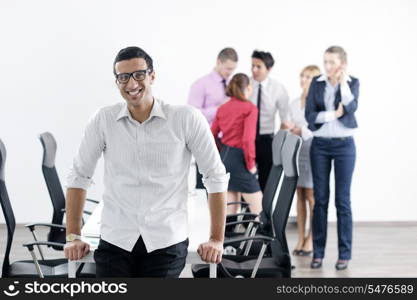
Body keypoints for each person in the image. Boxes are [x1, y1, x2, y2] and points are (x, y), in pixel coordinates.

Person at [64, 46, 229, 277]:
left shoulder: (186, 119)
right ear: (117, 81)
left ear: (152, 75)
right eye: (123, 77)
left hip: (166, 241)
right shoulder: (104, 120)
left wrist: (216, 240)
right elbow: (79, 175)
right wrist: (73, 236)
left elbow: (215, 176)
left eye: (139, 74)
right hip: (116, 239)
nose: (132, 84)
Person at [305, 46, 359, 271]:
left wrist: (343, 82)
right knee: (321, 201)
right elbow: (310, 116)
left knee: (342, 201)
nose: (327, 67)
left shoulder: (352, 83)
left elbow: (352, 107)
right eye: (325, 61)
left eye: (331, 62)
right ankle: (318, 253)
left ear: (342, 64)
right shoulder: (317, 83)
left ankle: (344, 254)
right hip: (320, 146)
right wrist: (332, 115)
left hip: (344, 145)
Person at [211, 73, 262, 215]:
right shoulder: (250, 108)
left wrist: (221, 152)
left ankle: (227, 237)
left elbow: (212, 135)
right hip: (241, 159)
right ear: (247, 88)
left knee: (230, 210)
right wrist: (251, 164)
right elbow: (247, 140)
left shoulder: (223, 108)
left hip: (225, 158)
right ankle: (259, 237)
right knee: (260, 211)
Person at [188, 48, 238, 189]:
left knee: (228, 183)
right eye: (228, 68)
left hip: (229, 141)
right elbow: (193, 116)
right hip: (207, 139)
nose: (230, 73)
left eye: (233, 69)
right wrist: (220, 109)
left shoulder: (233, 84)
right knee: (205, 182)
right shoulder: (200, 85)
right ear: (218, 62)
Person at [288, 65, 321, 256]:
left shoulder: (319, 102)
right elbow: (291, 124)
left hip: (313, 150)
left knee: (311, 195)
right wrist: (289, 127)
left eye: (309, 77)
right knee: (299, 195)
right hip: (297, 150)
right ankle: (300, 237)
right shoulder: (294, 102)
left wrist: (302, 130)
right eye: (303, 76)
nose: (304, 80)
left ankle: (311, 238)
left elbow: (320, 127)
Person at [249, 50, 291, 192]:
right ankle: (246, 212)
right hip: (246, 139)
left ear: (269, 69)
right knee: (246, 179)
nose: (254, 70)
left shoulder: (278, 89)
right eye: (252, 65)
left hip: (267, 141)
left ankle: (263, 212)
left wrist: (282, 137)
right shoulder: (245, 85)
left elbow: (286, 118)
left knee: (266, 180)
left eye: (258, 66)